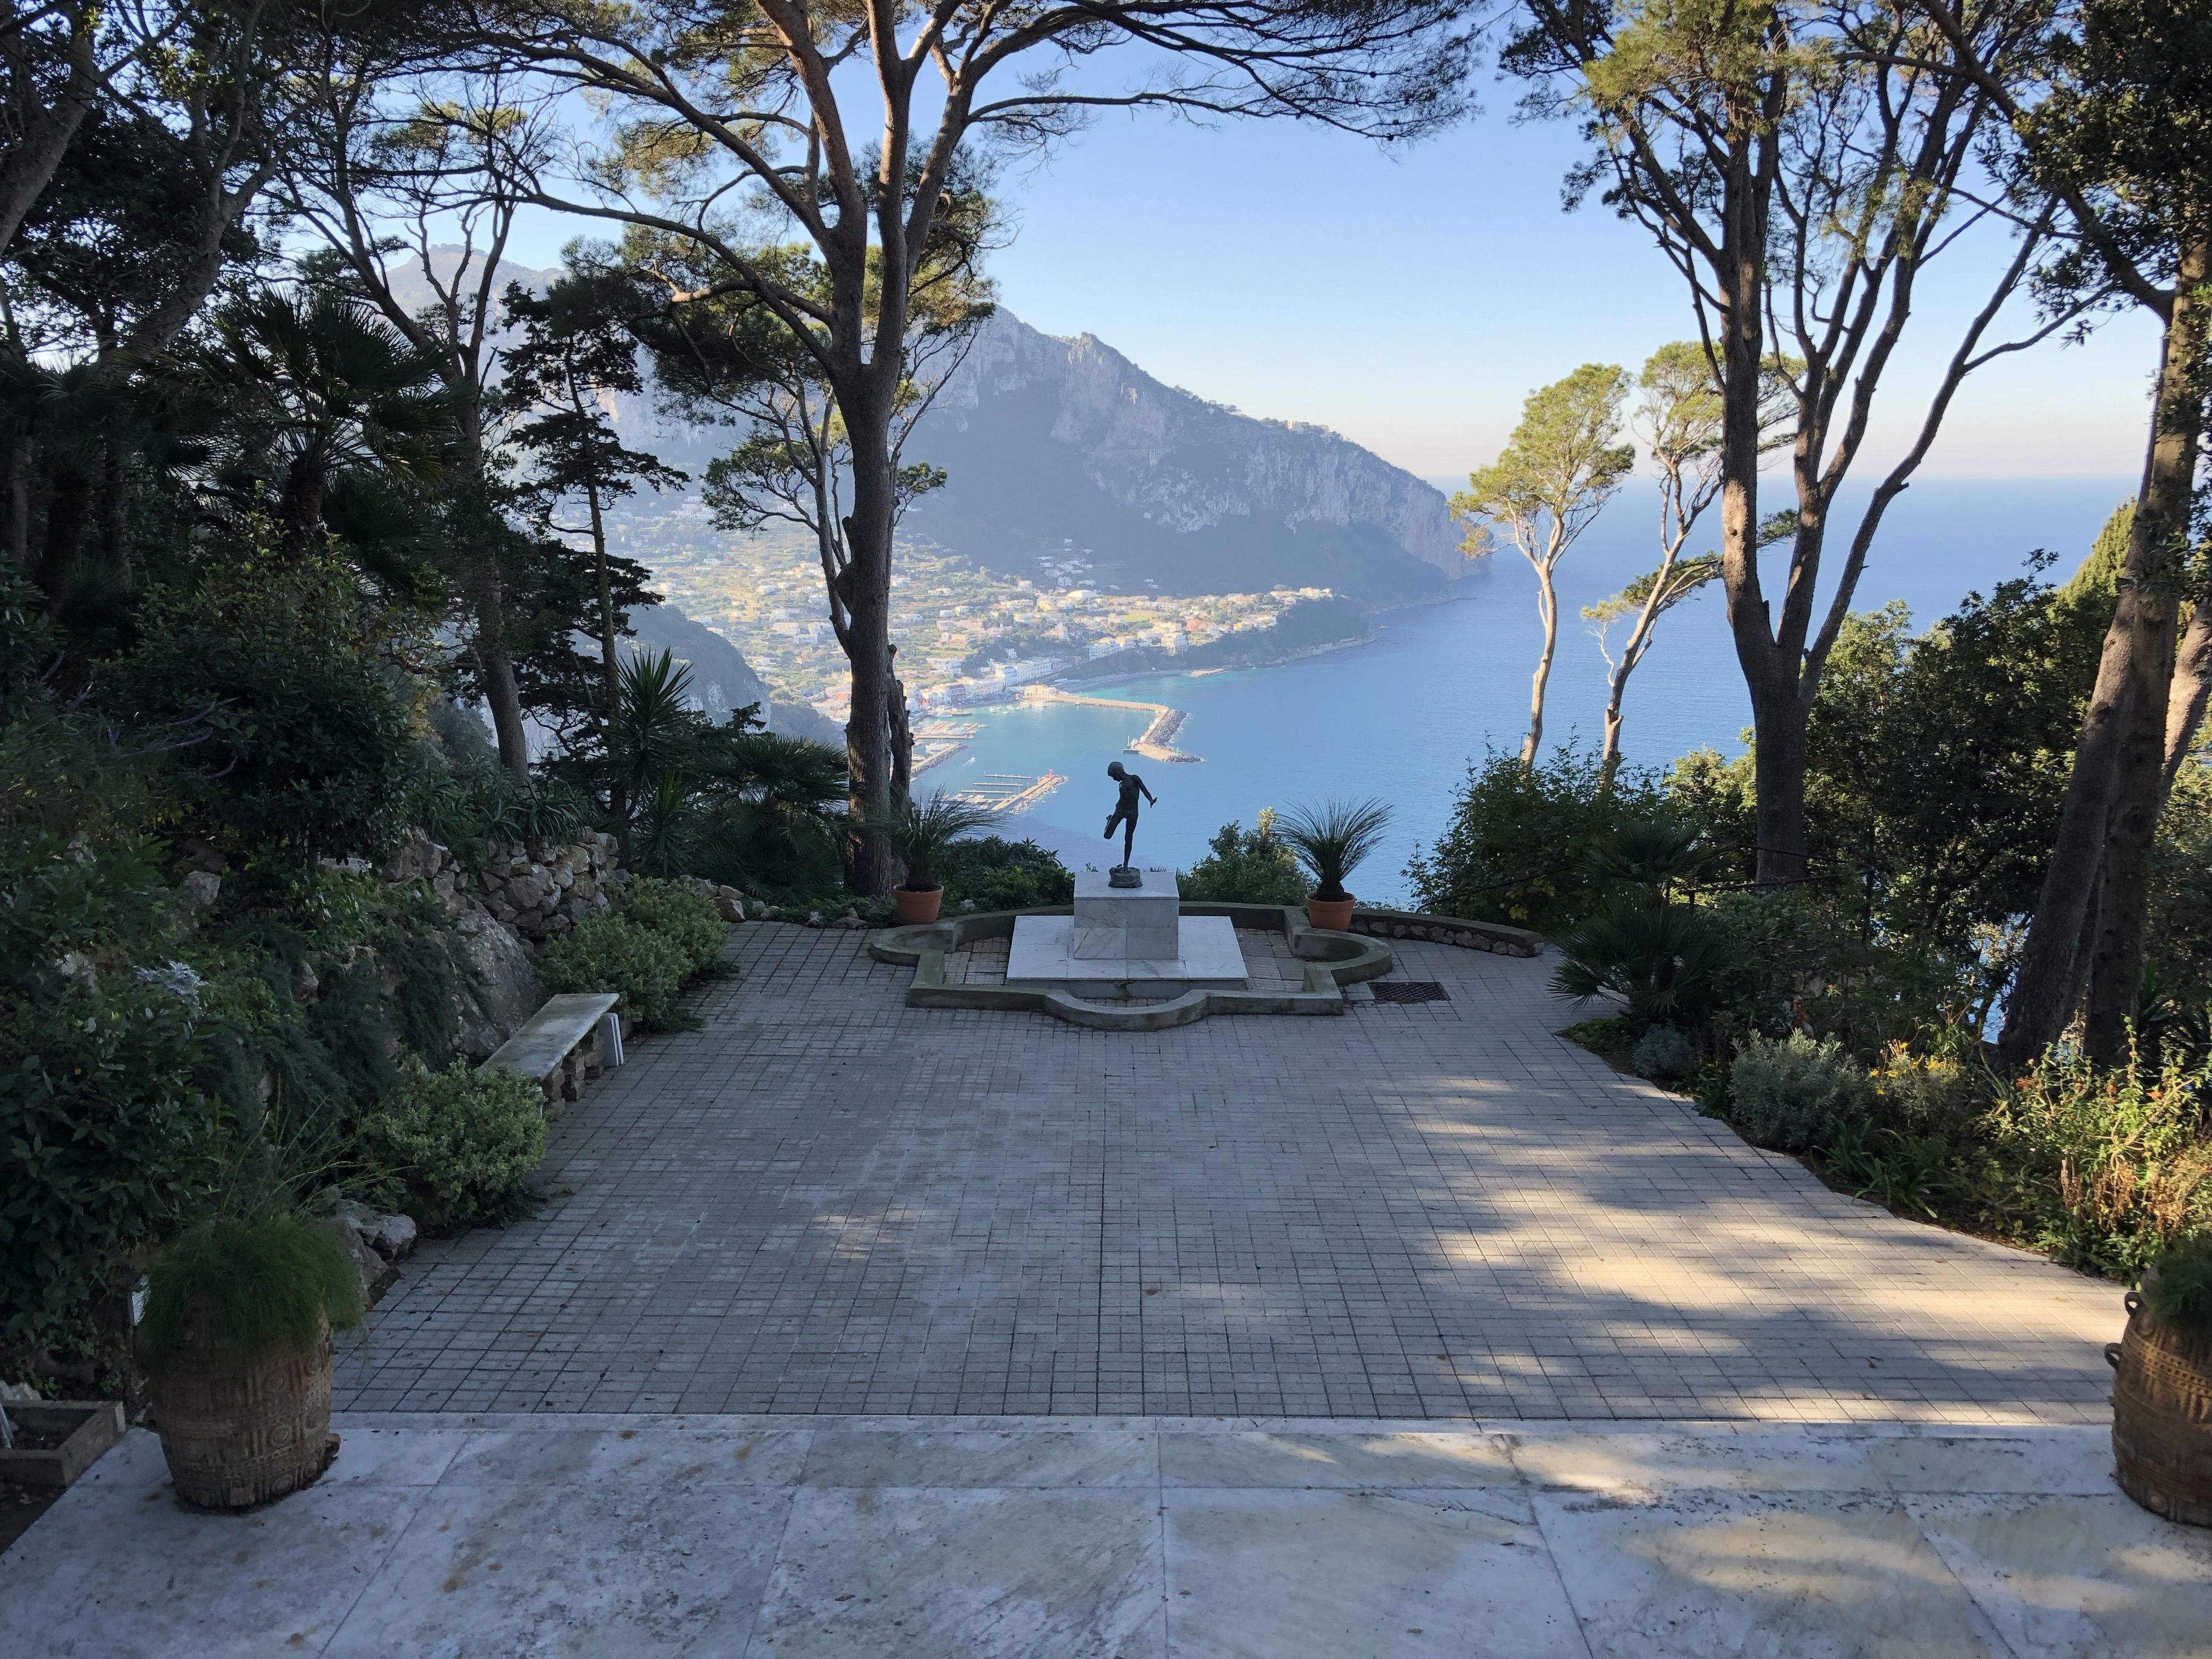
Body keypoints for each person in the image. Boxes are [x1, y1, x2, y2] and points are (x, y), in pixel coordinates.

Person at [1103, 761, 1155, 869]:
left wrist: (1150, 800)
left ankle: (1125, 864)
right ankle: (1109, 820)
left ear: (1117, 772)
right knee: (1107, 835)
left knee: (1129, 838)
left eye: (1113, 776)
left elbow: (1144, 789)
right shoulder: (1121, 784)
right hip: (1120, 810)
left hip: (1133, 812)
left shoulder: (1134, 778)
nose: (1114, 779)